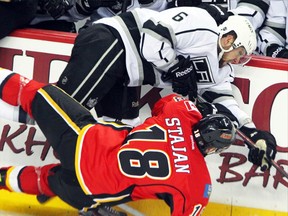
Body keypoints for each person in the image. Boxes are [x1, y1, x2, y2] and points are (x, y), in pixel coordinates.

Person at [0, 67, 239, 215]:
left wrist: (198, 110)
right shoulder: (198, 185)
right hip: (89, 191)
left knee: (35, 93)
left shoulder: (181, 114)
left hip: (85, 144)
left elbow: (163, 104)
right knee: (48, 181)